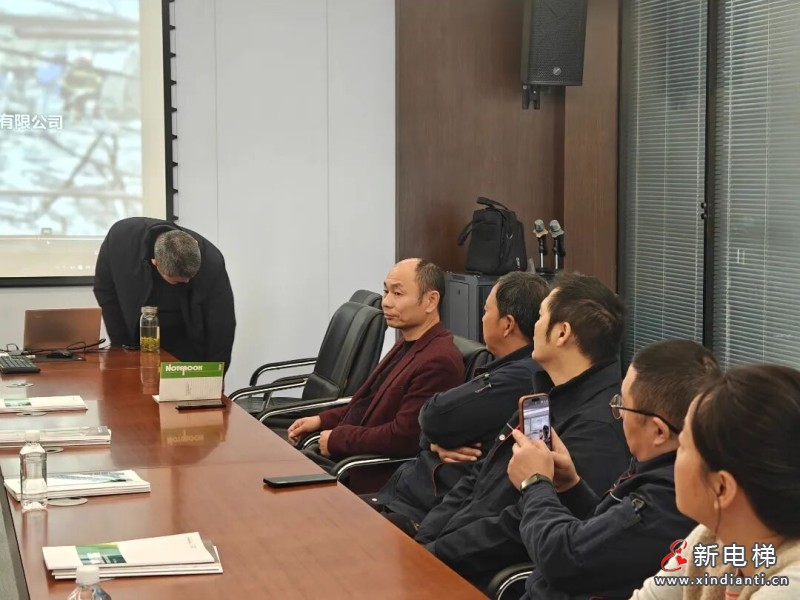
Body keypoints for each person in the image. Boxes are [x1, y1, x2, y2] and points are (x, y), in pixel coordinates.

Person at [415, 272, 631, 589]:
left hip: (480, 576)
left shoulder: (597, 427)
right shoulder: (546, 395)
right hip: (447, 552)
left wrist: (435, 553)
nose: (534, 328)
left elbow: (520, 528)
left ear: (562, 333)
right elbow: (479, 476)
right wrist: (426, 539)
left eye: (541, 317)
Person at [507, 339, 721, 599]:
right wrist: (572, 486)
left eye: (623, 405)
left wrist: (534, 483)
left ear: (658, 431)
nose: (618, 413)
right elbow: (605, 539)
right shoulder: (654, 466)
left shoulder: (670, 498)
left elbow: (565, 559)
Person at [369, 271, 550, 533]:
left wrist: (433, 438)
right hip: (409, 495)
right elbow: (430, 426)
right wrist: (434, 442)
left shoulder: (518, 378)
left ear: (507, 325)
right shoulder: (504, 367)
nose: (482, 318)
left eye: (486, 311)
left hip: (425, 512)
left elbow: (432, 416)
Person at [287, 258, 463, 493]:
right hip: (346, 459)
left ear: (431, 301)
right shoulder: (408, 342)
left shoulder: (438, 360)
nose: (386, 302)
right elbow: (369, 403)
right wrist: (321, 420)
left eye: (397, 294)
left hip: (370, 476)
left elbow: (403, 438)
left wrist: (339, 439)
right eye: (386, 291)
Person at [630, 364, 800, 599]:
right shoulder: (712, 539)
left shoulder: (789, 588)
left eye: (683, 446)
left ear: (722, 488)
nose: (675, 456)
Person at [94, 217, 236, 369]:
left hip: (185, 340)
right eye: (177, 281)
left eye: (190, 277)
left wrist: (215, 373)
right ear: (155, 263)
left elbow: (222, 324)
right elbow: (105, 291)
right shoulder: (121, 239)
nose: (187, 281)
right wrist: (120, 346)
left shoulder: (211, 261)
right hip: (136, 337)